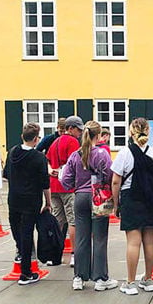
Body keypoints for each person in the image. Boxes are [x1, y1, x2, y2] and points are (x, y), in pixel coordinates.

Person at [61, 121, 117, 292]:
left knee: (81, 237)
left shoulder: (75, 155)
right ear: (98, 135)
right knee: (99, 238)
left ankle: (79, 276)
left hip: (80, 196)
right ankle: (100, 278)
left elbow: (65, 181)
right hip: (97, 196)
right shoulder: (102, 154)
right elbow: (109, 175)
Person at [111, 118, 153, 295]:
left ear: (130, 132)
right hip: (151, 199)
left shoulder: (124, 153)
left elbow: (116, 180)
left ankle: (131, 282)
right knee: (149, 241)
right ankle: (148, 279)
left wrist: (115, 203)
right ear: (148, 132)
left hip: (131, 198)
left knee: (133, 243)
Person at [3, 123, 51, 285]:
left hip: (14, 198)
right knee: (27, 233)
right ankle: (26, 272)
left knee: (16, 229)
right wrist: (48, 202)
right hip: (31, 199)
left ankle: (21, 253)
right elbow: (45, 183)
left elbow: (6, 175)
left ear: (22, 136)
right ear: (36, 139)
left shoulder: (12, 153)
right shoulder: (39, 158)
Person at [46, 115, 84, 267]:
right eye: (78, 129)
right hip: (67, 187)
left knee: (58, 221)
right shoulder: (73, 142)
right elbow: (74, 163)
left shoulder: (55, 141)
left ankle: (55, 255)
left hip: (53, 185)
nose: (80, 133)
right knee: (73, 220)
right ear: (71, 128)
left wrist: (51, 171)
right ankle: (74, 254)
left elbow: (47, 159)